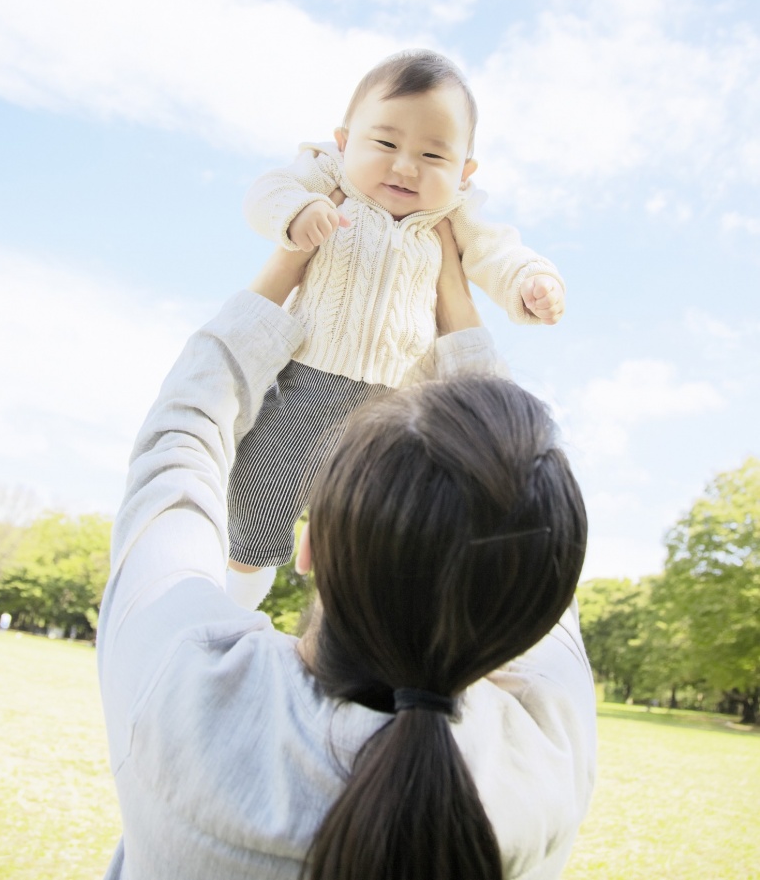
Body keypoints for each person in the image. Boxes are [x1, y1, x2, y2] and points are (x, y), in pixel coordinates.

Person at [96, 236, 595, 880]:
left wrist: (287, 267)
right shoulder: (546, 762)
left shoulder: (186, 684)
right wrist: (454, 282)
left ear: (306, 548)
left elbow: (180, 443)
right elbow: (521, 522)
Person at [228, 48, 566, 608]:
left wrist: (532, 282)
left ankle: (347, 620)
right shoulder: (328, 178)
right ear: (344, 141)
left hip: (403, 401)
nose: (405, 166)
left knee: (372, 525)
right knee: (262, 492)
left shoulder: (453, 214)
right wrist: (296, 213)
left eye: (434, 155)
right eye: (385, 144)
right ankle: (234, 603)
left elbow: (497, 252)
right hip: (309, 379)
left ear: (464, 172)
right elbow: (264, 194)